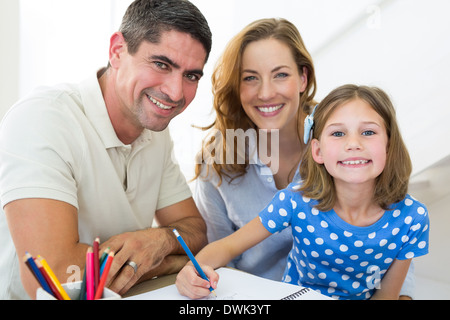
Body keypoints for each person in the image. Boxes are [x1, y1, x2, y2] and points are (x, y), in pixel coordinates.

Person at [0, 0, 212, 299]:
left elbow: (195, 231)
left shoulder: (153, 129)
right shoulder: (42, 118)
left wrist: (160, 240)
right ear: (117, 51)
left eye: (191, 75)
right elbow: (55, 276)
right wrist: (159, 261)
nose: (176, 93)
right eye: (161, 64)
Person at [192, 18, 415, 297]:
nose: (265, 92)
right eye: (250, 78)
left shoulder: (345, 144)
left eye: (281, 74)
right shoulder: (217, 160)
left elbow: (392, 242)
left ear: (303, 78)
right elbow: (220, 257)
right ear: (237, 88)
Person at [176, 84, 430, 300]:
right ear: (317, 151)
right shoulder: (294, 201)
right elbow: (227, 247)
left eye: (368, 132)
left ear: (389, 144)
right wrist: (192, 270)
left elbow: (387, 296)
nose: (354, 144)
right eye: (338, 133)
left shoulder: (413, 218)